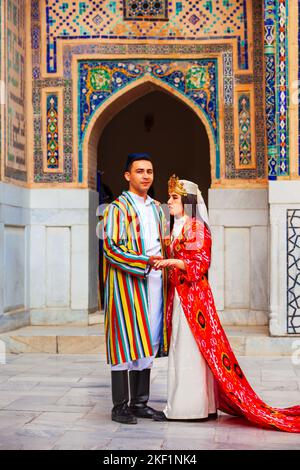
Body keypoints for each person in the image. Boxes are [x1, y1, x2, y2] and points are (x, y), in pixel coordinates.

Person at [153, 175, 300, 433]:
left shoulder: (196, 228)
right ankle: (200, 404)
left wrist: (172, 263)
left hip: (194, 297)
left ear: (187, 201)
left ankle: (189, 408)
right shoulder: (178, 227)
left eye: (174, 198)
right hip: (181, 296)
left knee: (190, 348)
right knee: (185, 347)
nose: (169, 202)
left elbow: (200, 264)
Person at [102, 153, 168, 425]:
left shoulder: (156, 207)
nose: (146, 175)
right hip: (126, 283)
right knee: (123, 339)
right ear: (127, 175)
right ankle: (120, 406)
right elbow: (111, 248)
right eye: (139, 171)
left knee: (148, 338)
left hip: (154, 282)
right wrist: (144, 262)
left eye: (150, 171)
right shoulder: (117, 208)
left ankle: (140, 403)